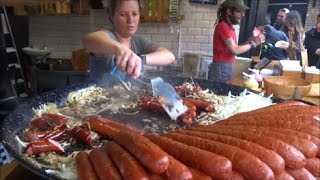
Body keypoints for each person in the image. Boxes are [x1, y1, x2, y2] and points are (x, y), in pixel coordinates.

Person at [82, 0, 175, 80]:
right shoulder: (108, 38)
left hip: (130, 99)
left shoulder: (139, 41)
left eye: (135, 14)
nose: (130, 20)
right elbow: (88, 40)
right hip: (99, 98)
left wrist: (140, 59)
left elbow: (169, 56)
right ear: (111, 16)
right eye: (123, 14)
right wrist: (121, 50)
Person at [209, 0, 265, 83]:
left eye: (243, 12)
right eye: (239, 11)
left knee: (220, 93)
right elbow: (235, 50)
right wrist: (254, 43)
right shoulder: (223, 26)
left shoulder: (228, 27)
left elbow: (236, 48)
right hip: (221, 67)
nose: (243, 15)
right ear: (229, 11)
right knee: (219, 93)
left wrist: (253, 39)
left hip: (223, 67)